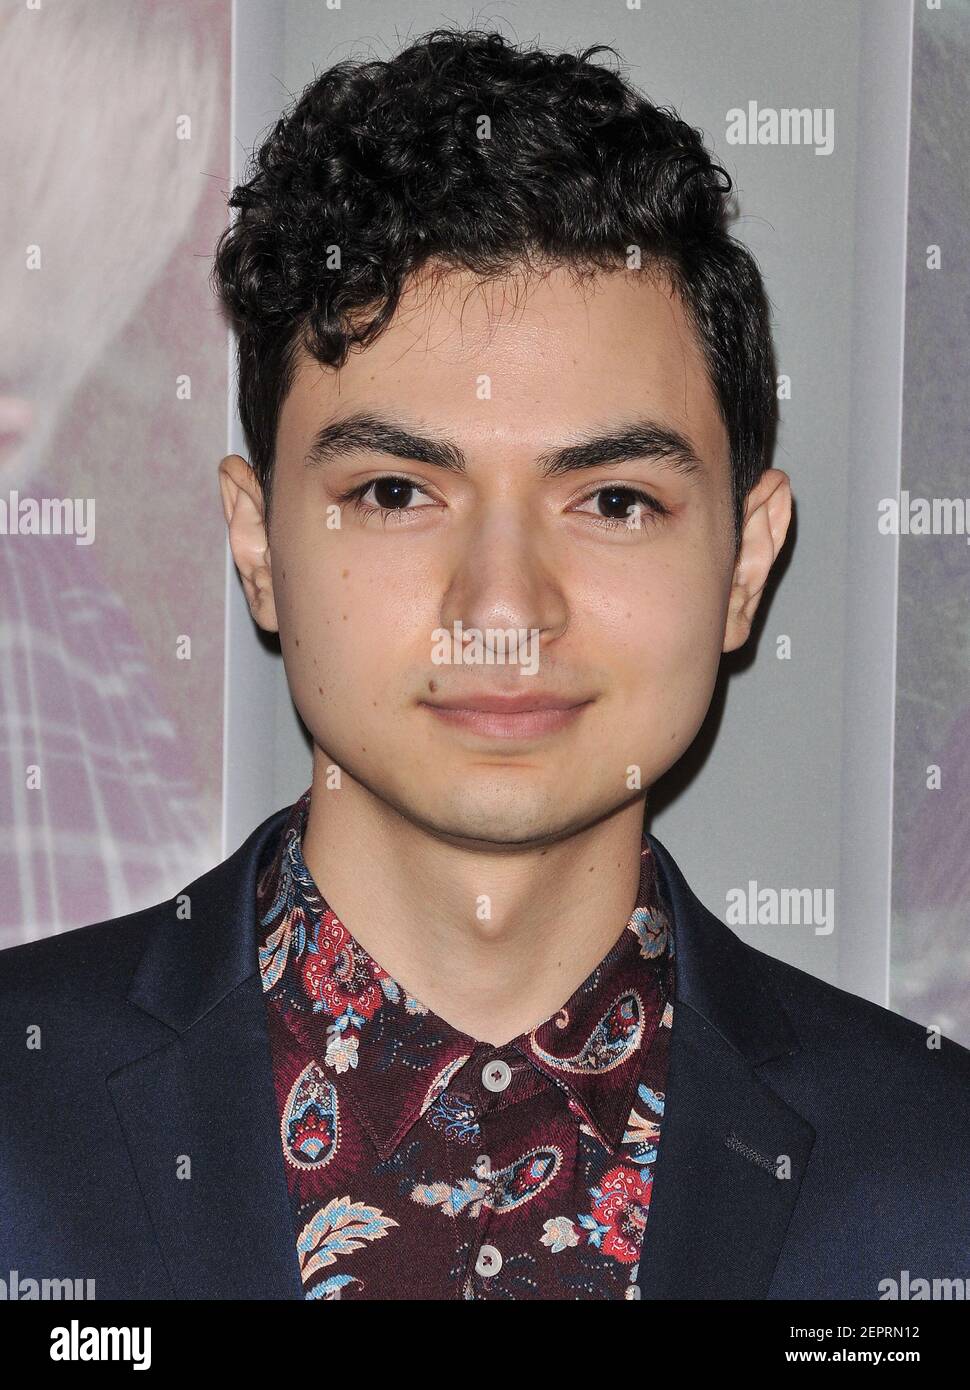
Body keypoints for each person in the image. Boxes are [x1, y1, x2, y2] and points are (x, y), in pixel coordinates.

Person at [2, 26, 968, 1302]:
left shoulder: (936, 1180)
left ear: (746, 564)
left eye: (613, 500)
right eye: (399, 490)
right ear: (257, 543)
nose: (502, 606)